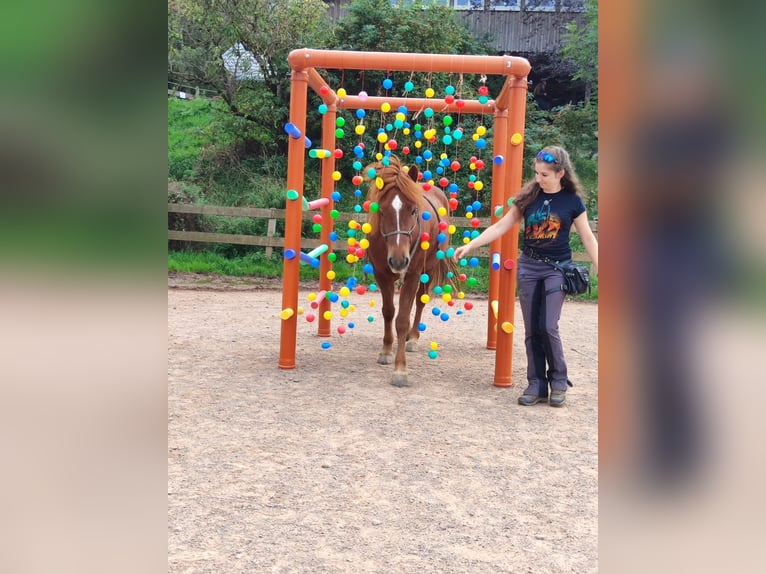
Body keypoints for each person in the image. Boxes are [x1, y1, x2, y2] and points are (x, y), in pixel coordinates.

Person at [453, 146, 598, 407]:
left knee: (548, 325)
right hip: (529, 267)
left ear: (560, 173)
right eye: (537, 173)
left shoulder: (572, 201)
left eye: (544, 174)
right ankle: (536, 383)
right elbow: (500, 225)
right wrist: (471, 245)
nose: (539, 179)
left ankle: (558, 380)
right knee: (532, 328)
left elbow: (587, 236)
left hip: (557, 268)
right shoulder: (528, 198)